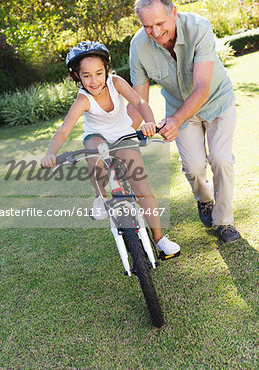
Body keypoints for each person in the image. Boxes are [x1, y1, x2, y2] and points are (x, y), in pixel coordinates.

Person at [41, 40, 180, 255]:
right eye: (86, 75)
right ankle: (100, 196)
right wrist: (51, 154)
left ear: (107, 69)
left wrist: (150, 122)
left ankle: (160, 238)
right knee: (94, 152)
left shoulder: (116, 82)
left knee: (142, 189)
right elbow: (64, 131)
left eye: (98, 73)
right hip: (97, 137)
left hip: (123, 135)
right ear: (77, 76)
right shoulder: (83, 99)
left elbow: (140, 103)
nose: (94, 80)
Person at [128, 0, 240, 243]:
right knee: (193, 167)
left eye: (159, 23)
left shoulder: (199, 27)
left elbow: (201, 88)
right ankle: (204, 200)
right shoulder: (138, 46)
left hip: (216, 102)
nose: (155, 33)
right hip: (179, 109)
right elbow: (138, 99)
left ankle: (223, 223)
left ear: (174, 12)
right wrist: (119, 133)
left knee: (221, 160)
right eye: (147, 27)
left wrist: (175, 121)